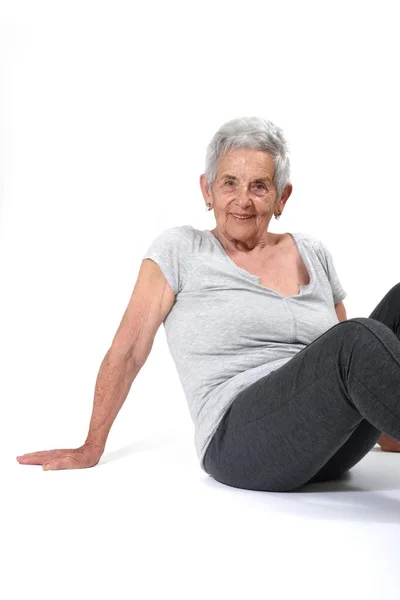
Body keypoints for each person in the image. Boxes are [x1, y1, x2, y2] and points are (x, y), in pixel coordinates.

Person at [16, 116, 400, 492]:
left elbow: (342, 366)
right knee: (355, 339)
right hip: (241, 442)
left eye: (260, 186)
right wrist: (91, 446)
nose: (242, 200)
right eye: (229, 183)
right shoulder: (181, 250)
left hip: (328, 447)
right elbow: (129, 349)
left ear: (282, 196)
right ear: (207, 190)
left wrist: (385, 425)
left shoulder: (313, 252)